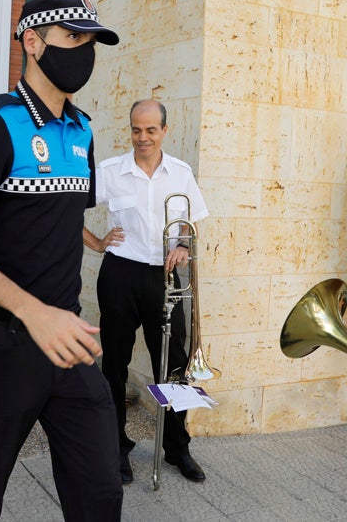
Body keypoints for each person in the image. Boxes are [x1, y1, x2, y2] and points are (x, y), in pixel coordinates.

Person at [0, 0, 123, 521]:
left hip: (67, 340)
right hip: (3, 345)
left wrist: (69, 293)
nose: (84, 51)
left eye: (91, 41)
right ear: (33, 42)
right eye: (73, 38)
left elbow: (61, 223)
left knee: (100, 493)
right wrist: (32, 310)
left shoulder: (84, 129)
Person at [82, 99, 210, 485]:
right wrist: (98, 242)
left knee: (173, 366)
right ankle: (114, 447)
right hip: (120, 274)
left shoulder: (180, 173)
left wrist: (184, 245)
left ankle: (177, 448)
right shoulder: (110, 172)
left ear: (164, 131)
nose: (143, 137)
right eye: (137, 130)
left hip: (165, 279)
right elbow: (67, 207)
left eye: (151, 130)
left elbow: (190, 222)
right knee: (115, 365)